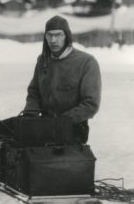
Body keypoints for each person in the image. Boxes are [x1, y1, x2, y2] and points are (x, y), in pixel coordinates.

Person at [24, 15, 101, 143]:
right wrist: (30, 115)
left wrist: (62, 121)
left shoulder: (86, 62)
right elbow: (34, 92)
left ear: (67, 36)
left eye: (58, 35)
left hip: (72, 129)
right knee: (2, 132)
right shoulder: (43, 60)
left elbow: (90, 104)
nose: (53, 40)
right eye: (49, 35)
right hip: (43, 124)